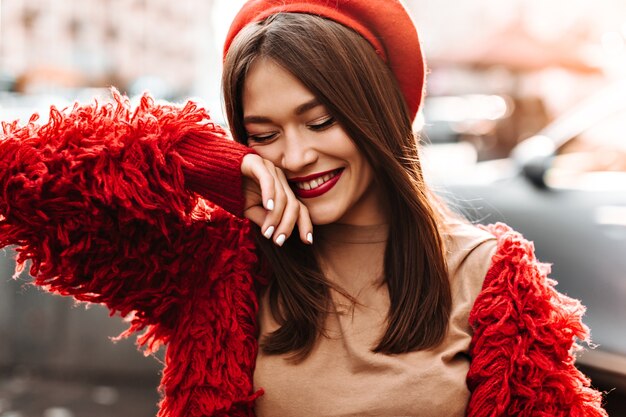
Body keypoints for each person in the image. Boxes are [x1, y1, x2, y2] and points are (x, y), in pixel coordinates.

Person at [0, 0, 608, 416]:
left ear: (378, 112)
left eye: (320, 120)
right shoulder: (218, 265)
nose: (296, 154)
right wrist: (200, 160)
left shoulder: (491, 277)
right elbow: (21, 179)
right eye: (263, 133)